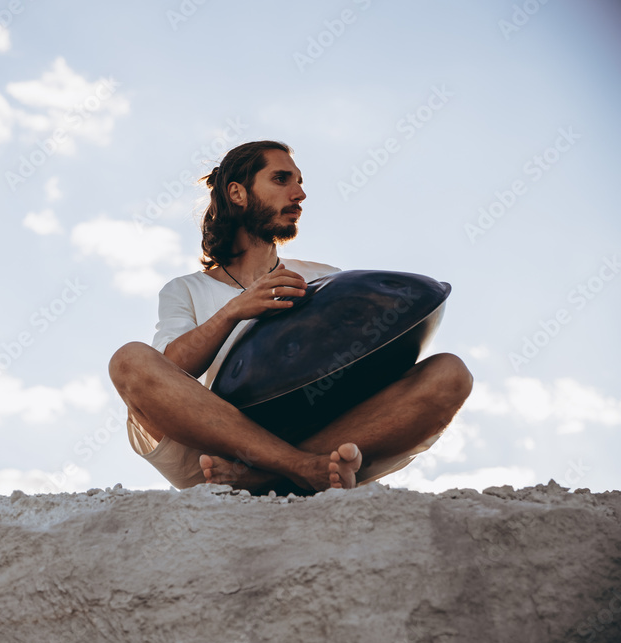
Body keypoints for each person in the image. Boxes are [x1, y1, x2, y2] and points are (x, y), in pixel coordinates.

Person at [108, 140, 473, 494]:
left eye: (300, 182)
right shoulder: (185, 289)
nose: (299, 194)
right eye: (282, 179)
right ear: (237, 193)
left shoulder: (324, 277)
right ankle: (293, 468)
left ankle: (264, 477)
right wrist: (235, 310)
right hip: (215, 453)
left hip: (320, 435)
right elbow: (171, 369)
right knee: (129, 360)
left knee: (450, 373)